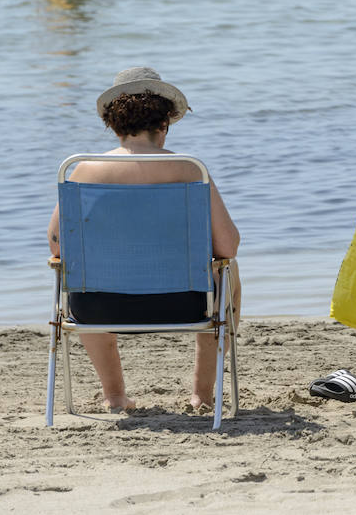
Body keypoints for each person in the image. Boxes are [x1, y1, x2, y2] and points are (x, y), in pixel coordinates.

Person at [47, 67, 241, 412]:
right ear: (165, 122)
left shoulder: (83, 170)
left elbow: (58, 245)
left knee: (79, 277)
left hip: (97, 309)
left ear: (114, 124)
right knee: (229, 272)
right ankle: (202, 395)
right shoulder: (190, 170)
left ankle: (115, 397)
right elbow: (228, 247)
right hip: (183, 305)